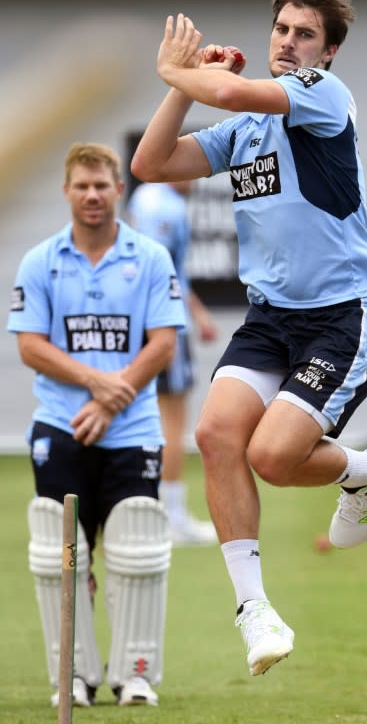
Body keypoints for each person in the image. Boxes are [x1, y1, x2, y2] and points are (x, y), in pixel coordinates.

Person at [131, 0, 367, 677]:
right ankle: (254, 612)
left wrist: (181, 69)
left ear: (328, 50)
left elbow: (230, 91)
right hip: (271, 316)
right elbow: (151, 164)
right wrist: (182, 87)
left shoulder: (322, 95)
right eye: (281, 28)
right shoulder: (245, 130)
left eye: (304, 33)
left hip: (343, 315)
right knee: (215, 434)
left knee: (274, 458)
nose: (287, 41)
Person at [7, 142, 186, 707]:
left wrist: (113, 399)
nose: (91, 195)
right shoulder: (41, 261)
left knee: (137, 549)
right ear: (67, 192)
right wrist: (94, 384)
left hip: (132, 428)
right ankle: (75, 676)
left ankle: (135, 675)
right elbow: (30, 346)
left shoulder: (151, 257)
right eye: (81, 186)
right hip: (60, 426)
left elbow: (163, 342)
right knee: (64, 555)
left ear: (119, 190)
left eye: (101, 186)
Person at [127, 179, 218, 546]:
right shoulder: (167, 206)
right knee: (172, 416)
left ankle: (143, 513)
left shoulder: (143, 196)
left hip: (139, 320)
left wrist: (197, 313)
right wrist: (162, 328)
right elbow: (156, 270)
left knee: (143, 415)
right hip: (161, 323)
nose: (196, 178)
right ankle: (171, 517)